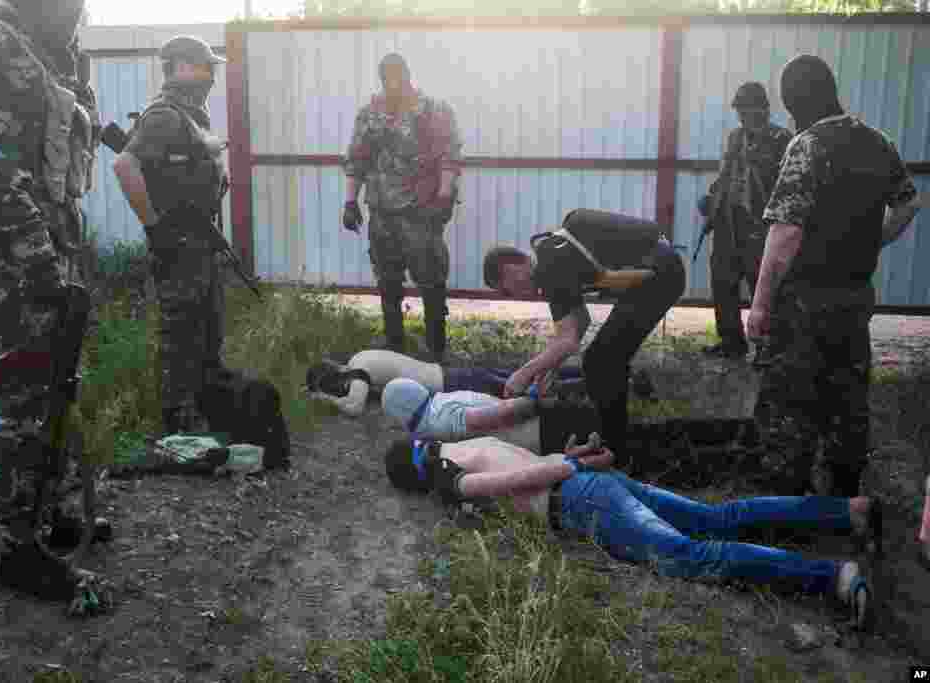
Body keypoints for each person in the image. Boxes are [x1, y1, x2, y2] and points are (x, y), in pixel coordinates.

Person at [0, 0, 110, 610]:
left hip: (50, 247)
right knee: (23, 400)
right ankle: (18, 551)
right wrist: (41, 262)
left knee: (58, 386)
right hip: (14, 259)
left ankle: (50, 514)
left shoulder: (50, 51)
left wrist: (62, 256)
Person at [384, 435, 881, 631]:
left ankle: (833, 576)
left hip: (579, 500)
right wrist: (572, 462)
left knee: (692, 555)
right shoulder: (472, 441)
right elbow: (525, 463)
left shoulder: (452, 473)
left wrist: (559, 466)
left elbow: (514, 480)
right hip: (591, 484)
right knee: (716, 518)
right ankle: (847, 513)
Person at [746, 55, 921, 498]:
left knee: (790, 402)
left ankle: (787, 505)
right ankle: (843, 495)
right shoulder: (878, 142)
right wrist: (872, 242)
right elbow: (907, 204)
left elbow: (785, 234)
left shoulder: (808, 145)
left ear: (793, 102)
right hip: (855, 295)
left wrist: (761, 305)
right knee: (847, 398)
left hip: (805, 300)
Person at [483, 209, 686, 462]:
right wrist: (550, 368)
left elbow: (567, 340)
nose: (515, 297)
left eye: (507, 292)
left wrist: (522, 375)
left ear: (511, 270)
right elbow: (580, 322)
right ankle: (614, 438)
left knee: (602, 360)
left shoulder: (550, 265)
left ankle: (616, 452)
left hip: (661, 273)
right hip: (656, 270)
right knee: (603, 359)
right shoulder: (553, 254)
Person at [113, 35, 229, 435]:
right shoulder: (163, 116)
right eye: (202, 66)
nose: (210, 74)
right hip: (176, 243)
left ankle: (209, 404)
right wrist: (155, 229)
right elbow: (125, 167)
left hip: (199, 240)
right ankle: (177, 421)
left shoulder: (193, 117)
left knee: (209, 328)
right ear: (179, 67)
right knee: (180, 332)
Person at [343, 53, 463, 362]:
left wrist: (443, 196)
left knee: (431, 278)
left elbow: (449, 157)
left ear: (408, 75)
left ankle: (436, 346)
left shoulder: (434, 110)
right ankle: (395, 343)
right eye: (386, 78)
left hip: (420, 211)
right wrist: (350, 201)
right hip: (381, 211)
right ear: (381, 79)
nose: (392, 84)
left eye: (398, 76)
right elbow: (357, 160)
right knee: (387, 279)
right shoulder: (370, 114)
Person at [698, 82, 793, 362]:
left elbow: (786, 186)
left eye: (747, 110)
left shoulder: (781, 139)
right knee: (722, 281)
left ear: (763, 109)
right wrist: (713, 199)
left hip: (760, 225)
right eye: (740, 111)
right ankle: (731, 343)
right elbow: (725, 174)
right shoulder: (735, 137)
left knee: (760, 284)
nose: (742, 116)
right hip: (729, 221)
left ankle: (767, 349)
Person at [305, 349, 585, 417]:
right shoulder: (361, 356)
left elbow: (354, 406)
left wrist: (324, 399)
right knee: (518, 373)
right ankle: (584, 373)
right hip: (447, 374)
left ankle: (585, 382)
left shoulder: (358, 371)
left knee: (522, 385)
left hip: (448, 385)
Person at [379, 375, 598, 456]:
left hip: (540, 430)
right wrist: (534, 400)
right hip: (541, 428)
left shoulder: (436, 417)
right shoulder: (440, 410)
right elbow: (497, 414)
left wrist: (532, 400)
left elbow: (499, 414)